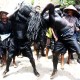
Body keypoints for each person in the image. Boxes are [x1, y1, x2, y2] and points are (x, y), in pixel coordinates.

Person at [41, 3, 80, 79]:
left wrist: (41, 13)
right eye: (68, 10)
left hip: (70, 35)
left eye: (71, 11)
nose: (69, 11)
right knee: (55, 54)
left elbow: (50, 5)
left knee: (79, 51)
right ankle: (55, 70)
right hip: (60, 38)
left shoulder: (53, 16)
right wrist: (55, 36)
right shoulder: (61, 17)